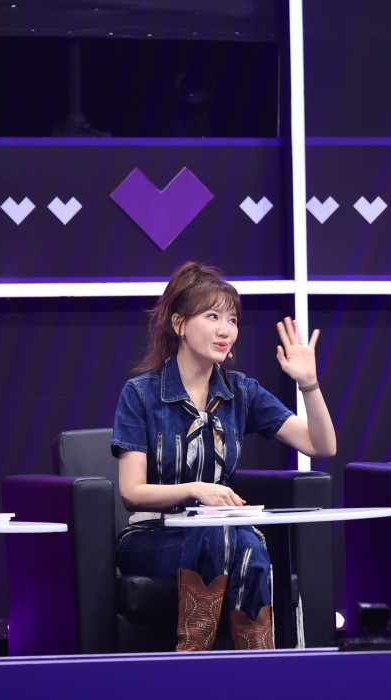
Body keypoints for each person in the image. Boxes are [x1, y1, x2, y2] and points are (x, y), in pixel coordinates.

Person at [111, 261, 337, 651]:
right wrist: (196, 489)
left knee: (246, 545)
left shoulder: (240, 391)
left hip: (223, 535)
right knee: (232, 538)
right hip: (153, 537)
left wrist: (309, 384)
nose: (225, 330)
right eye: (212, 316)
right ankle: (217, 664)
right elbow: (132, 492)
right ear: (179, 324)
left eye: (231, 320)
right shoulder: (141, 393)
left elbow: (321, 445)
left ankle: (237, 664)